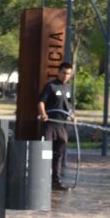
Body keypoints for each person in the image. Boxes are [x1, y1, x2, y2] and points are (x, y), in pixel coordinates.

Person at [37, 62, 74, 192]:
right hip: (49, 126)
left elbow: (69, 107)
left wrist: (73, 116)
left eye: (68, 73)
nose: (66, 76)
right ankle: (42, 180)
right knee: (46, 154)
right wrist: (43, 114)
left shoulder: (69, 88)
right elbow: (41, 102)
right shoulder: (51, 86)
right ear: (59, 72)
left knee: (58, 155)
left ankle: (56, 181)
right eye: (64, 73)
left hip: (62, 127)